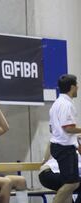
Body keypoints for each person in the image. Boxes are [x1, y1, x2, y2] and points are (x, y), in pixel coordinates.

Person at [49, 74, 80, 203]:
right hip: (64, 148)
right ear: (72, 87)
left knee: (68, 184)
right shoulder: (66, 105)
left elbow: (52, 128)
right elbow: (68, 128)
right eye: (77, 85)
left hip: (60, 146)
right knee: (72, 183)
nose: (78, 88)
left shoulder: (56, 104)